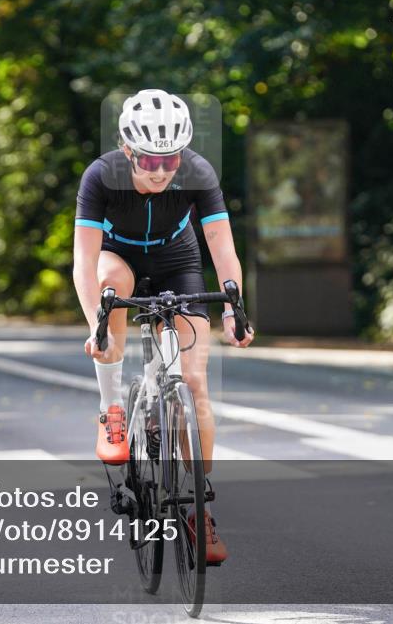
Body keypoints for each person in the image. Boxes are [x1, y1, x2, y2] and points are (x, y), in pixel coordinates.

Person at [72, 89, 254, 565]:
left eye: (168, 160)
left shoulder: (197, 172)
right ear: (127, 149)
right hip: (120, 258)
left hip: (178, 260)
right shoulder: (101, 175)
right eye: (148, 160)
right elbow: (84, 261)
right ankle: (112, 408)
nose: (158, 171)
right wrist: (98, 326)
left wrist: (234, 309)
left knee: (194, 383)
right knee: (111, 284)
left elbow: (221, 246)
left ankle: (198, 504)